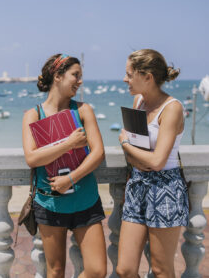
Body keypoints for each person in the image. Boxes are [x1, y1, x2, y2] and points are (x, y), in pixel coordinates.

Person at [22, 53, 107, 278]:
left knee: (97, 270)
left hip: (85, 199)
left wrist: (70, 178)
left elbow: (98, 153)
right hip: (50, 202)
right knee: (56, 270)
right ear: (58, 76)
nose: (79, 81)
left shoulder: (83, 110)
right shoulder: (33, 115)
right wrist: (69, 143)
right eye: (75, 75)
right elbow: (32, 158)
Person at [117, 49, 189, 278]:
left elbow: (157, 161)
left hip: (165, 188)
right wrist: (134, 154)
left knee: (161, 269)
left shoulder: (173, 108)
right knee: (125, 269)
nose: (125, 79)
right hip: (137, 184)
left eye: (129, 74)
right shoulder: (138, 101)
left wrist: (125, 143)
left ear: (147, 76)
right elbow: (135, 157)